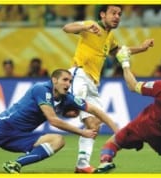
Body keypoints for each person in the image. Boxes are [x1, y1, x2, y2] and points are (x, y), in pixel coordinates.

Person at [62, 5, 154, 173]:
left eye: (119, 14)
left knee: (95, 124)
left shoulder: (109, 37)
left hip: (93, 82)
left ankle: (82, 164)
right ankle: (62, 108)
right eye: (113, 13)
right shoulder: (91, 25)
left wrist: (141, 48)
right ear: (103, 14)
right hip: (79, 75)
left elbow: (119, 51)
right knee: (84, 117)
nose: (117, 16)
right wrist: (84, 26)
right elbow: (67, 28)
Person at [0, 69, 119, 173]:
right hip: (1, 128)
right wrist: (81, 132)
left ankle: (15, 164)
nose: (68, 84)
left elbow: (95, 110)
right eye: (65, 80)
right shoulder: (41, 89)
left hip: (22, 136)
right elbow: (53, 120)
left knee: (57, 140)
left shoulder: (67, 97)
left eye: (70, 81)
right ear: (54, 80)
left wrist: (117, 131)